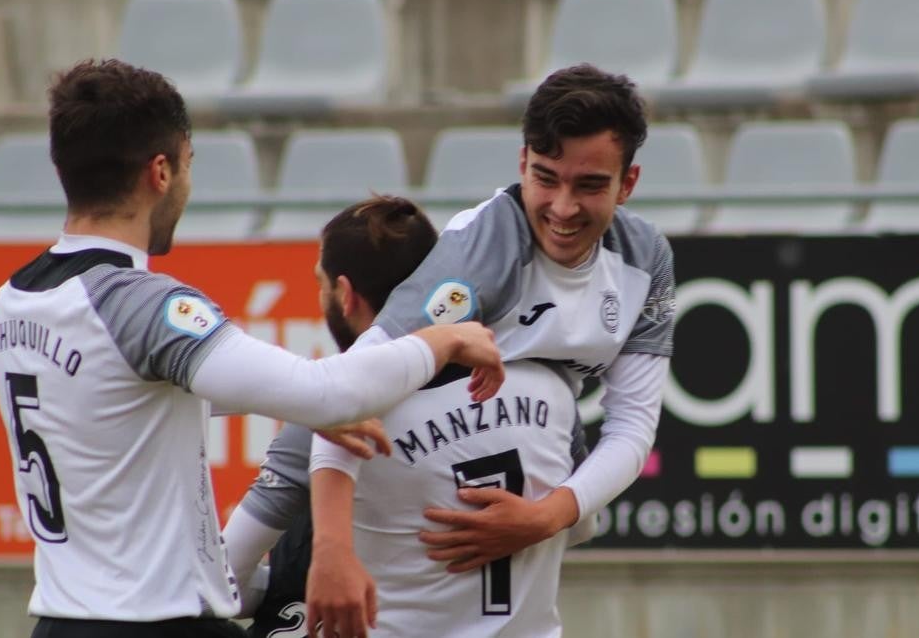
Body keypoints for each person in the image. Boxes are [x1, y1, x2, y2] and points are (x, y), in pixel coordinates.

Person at [0, 59, 503, 638]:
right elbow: (330, 393)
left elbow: (115, 400)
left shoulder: (17, 297)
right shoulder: (139, 303)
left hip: (60, 621)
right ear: (160, 171)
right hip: (153, 623)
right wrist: (442, 337)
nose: (186, 182)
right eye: (188, 165)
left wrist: (288, 406)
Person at [223, 62, 676, 634]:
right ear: (521, 165)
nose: (562, 208)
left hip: (541, 466)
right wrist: (333, 552)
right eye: (546, 178)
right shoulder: (481, 252)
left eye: (589, 185)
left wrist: (548, 515)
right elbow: (355, 385)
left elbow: (634, 424)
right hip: (444, 448)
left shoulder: (646, 259)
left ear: (628, 183)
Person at [230, 197, 580, 637]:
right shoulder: (548, 387)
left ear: (345, 293)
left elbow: (222, 577)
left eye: (320, 284)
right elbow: (584, 520)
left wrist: (286, 585)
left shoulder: (332, 417)